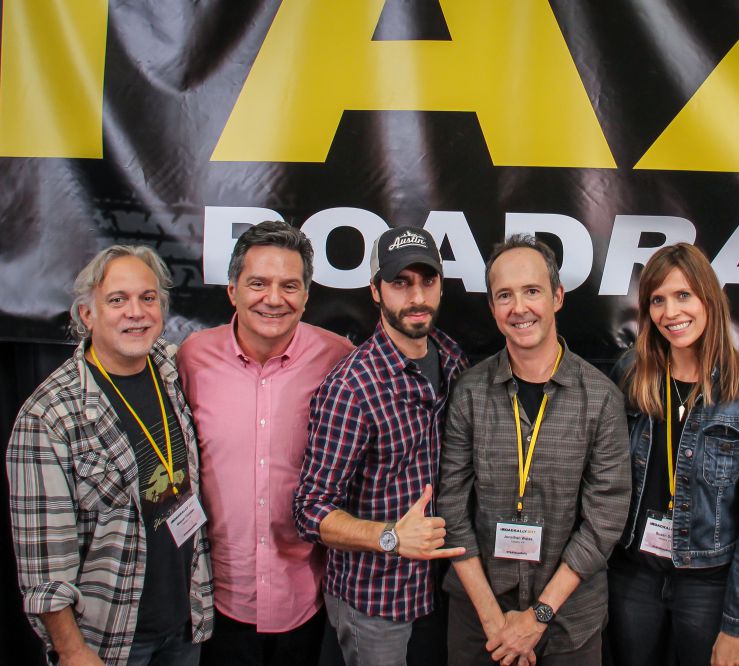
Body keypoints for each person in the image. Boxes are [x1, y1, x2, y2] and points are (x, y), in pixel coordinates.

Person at [7, 246, 213, 666]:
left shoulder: (171, 372)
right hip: (111, 640)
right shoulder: (48, 417)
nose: (135, 312)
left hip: (186, 620)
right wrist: (71, 650)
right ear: (87, 315)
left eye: (148, 298)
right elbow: (43, 565)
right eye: (117, 300)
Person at [438, 234, 631, 666]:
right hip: (478, 620)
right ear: (492, 308)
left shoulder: (600, 398)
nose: (519, 308)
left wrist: (538, 616)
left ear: (557, 296)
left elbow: (606, 516)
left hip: (568, 622)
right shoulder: (469, 392)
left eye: (532, 291)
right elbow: (450, 506)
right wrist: (493, 619)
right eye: (504, 295)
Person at [178, 221, 354, 665]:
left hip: (306, 601)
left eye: (289, 285)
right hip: (215, 600)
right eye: (258, 283)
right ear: (233, 289)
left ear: (307, 295)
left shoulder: (339, 360)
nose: (274, 299)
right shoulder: (192, 358)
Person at [293, 226, 469, 666]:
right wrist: (390, 536)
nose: (416, 297)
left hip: (443, 589)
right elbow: (309, 510)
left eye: (427, 281)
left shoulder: (451, 358)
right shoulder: (351, 387)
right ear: (375, 291)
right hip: (377, 602)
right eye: (400, 283)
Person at [605, 242, 739, 666]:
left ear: (709, 299)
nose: (670, 312)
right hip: (634, 575)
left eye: (683, 295)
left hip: (709, 583)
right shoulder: (631, 374)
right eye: (657, 300)